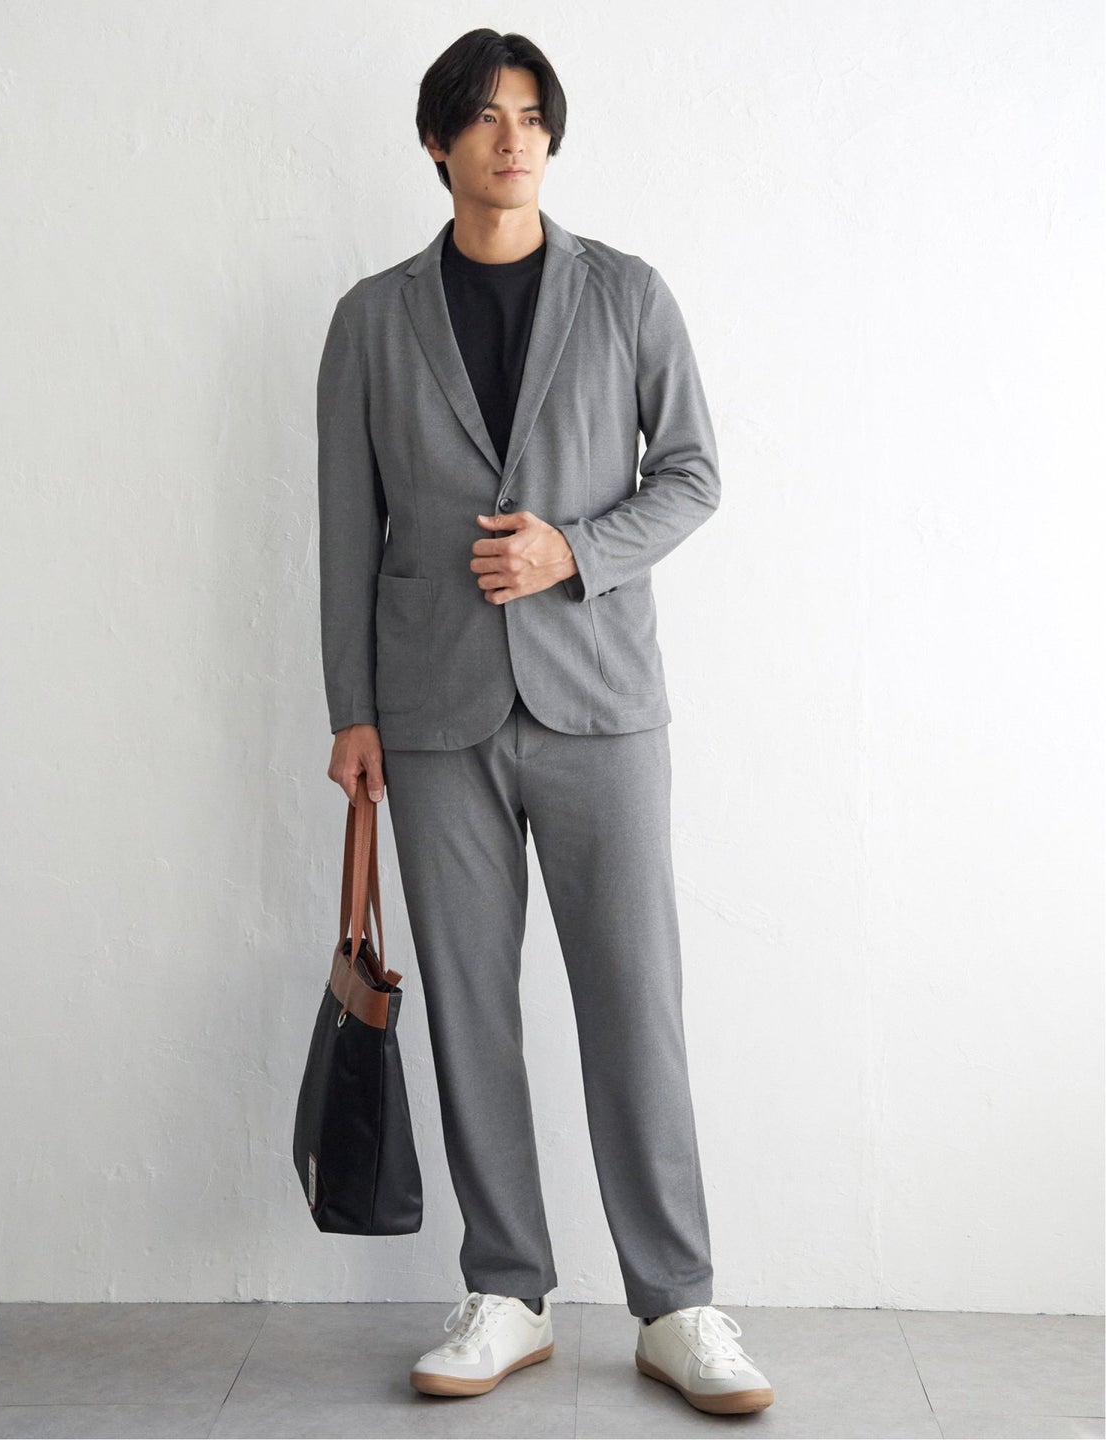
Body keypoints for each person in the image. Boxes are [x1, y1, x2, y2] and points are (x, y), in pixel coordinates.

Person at [315, 27, 774, 1417]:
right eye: (484, 115)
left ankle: (677, 1303)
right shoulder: (372, 319)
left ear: (551, 137)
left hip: (601, 706)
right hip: (433, 714)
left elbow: (692, 474)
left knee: (636, 1003)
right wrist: (352, 711)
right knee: (472, 1012)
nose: (512, 136)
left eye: (530, 114)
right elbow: (345, 529)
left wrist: (575, 548)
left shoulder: (627, 295)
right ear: (440, 141)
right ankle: (507, 1288)